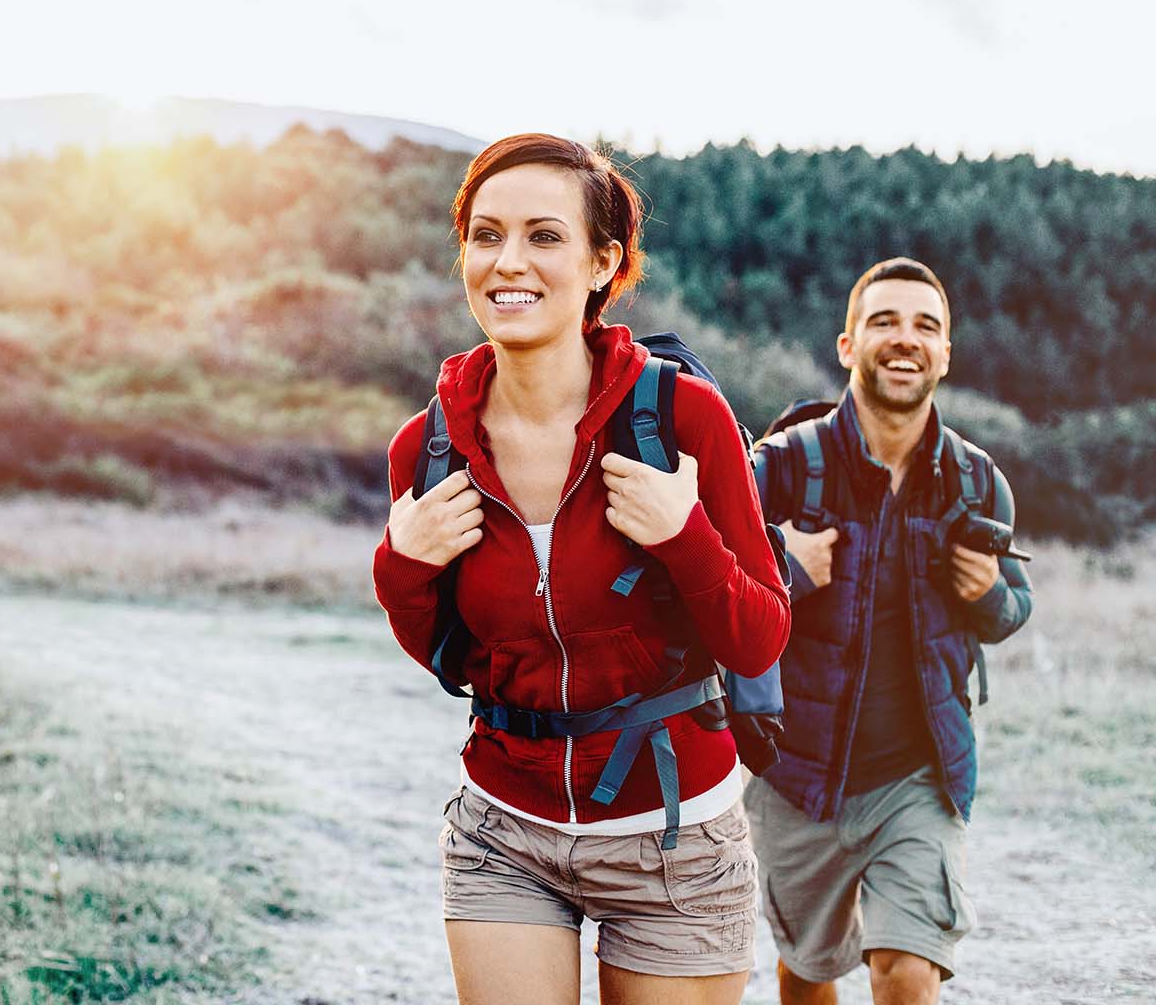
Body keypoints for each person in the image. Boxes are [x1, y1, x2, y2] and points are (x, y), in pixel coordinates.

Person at [373, 134, 791, 1004]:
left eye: (544, 236)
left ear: (605, 263)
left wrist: (686, 538)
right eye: (485, 236)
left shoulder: (682, 419)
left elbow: (758, 640)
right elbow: (451, 656)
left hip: (673, 841)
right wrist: (398, 567)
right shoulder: (428, 447)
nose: (507, 262)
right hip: (504, 828)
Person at [747, 257, 1036, 1004]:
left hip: (919, 779)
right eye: (884, 321)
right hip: (795, 777)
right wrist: (787, 567)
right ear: (847, 345)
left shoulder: (977, 481)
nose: (905, 339)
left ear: (946, 353)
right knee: (807, 973)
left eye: (925, 326)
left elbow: (1015, 608)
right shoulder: (780, 468)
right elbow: (707, 592)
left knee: (906, 971)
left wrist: (990, 595)